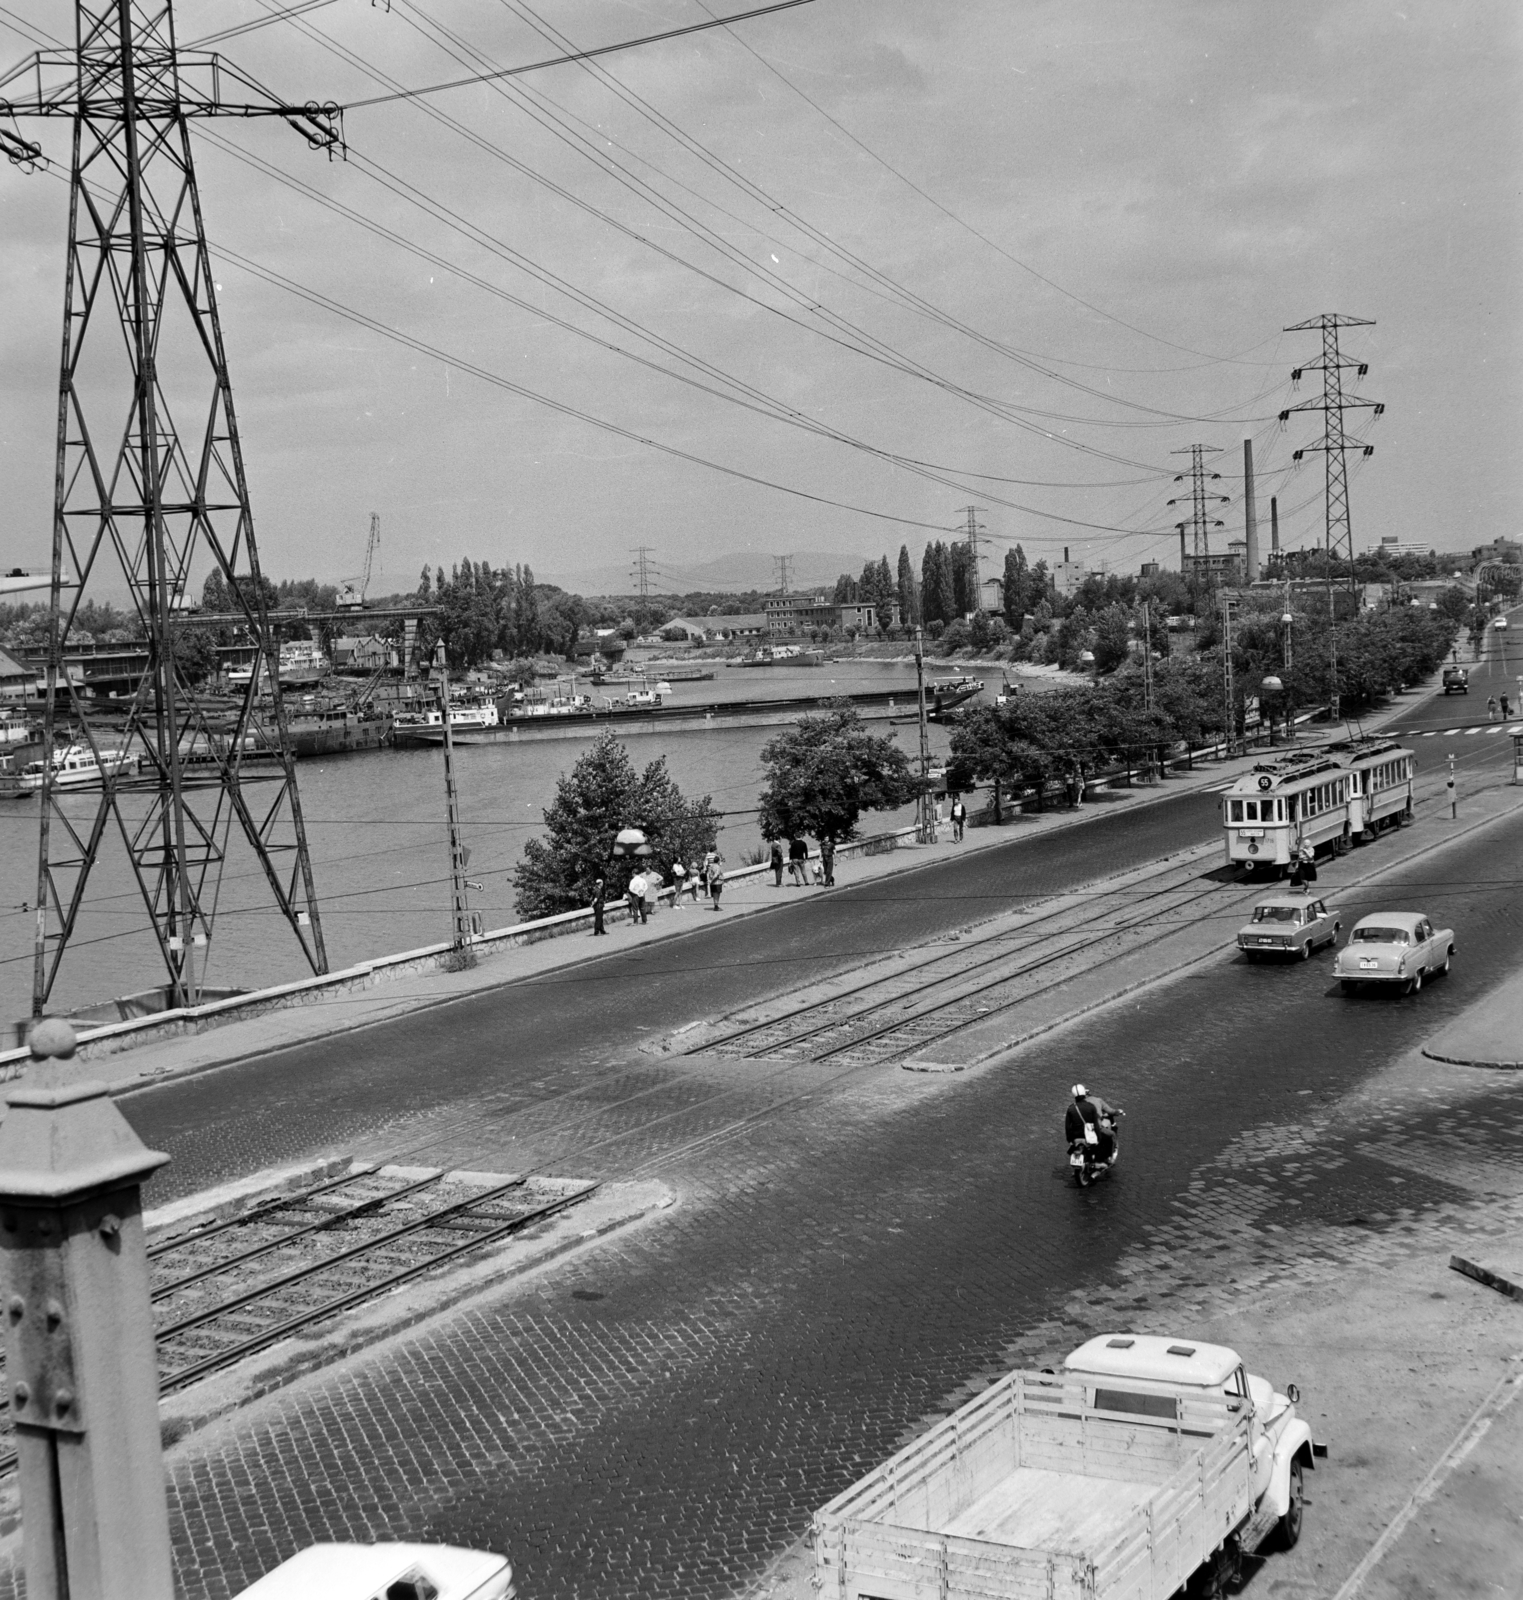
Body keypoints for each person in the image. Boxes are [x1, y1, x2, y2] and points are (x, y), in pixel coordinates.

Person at [1065, 1084, 1119, 1165]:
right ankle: (1101, 1161)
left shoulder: (1071, 1108)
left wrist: (1070, 1140)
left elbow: (1067, 1127)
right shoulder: (1091, 1107)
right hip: (1088, 1136)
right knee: (1109, 1137)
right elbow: (1096, 1125)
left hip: (1075, 1137)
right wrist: (1098, 1138)